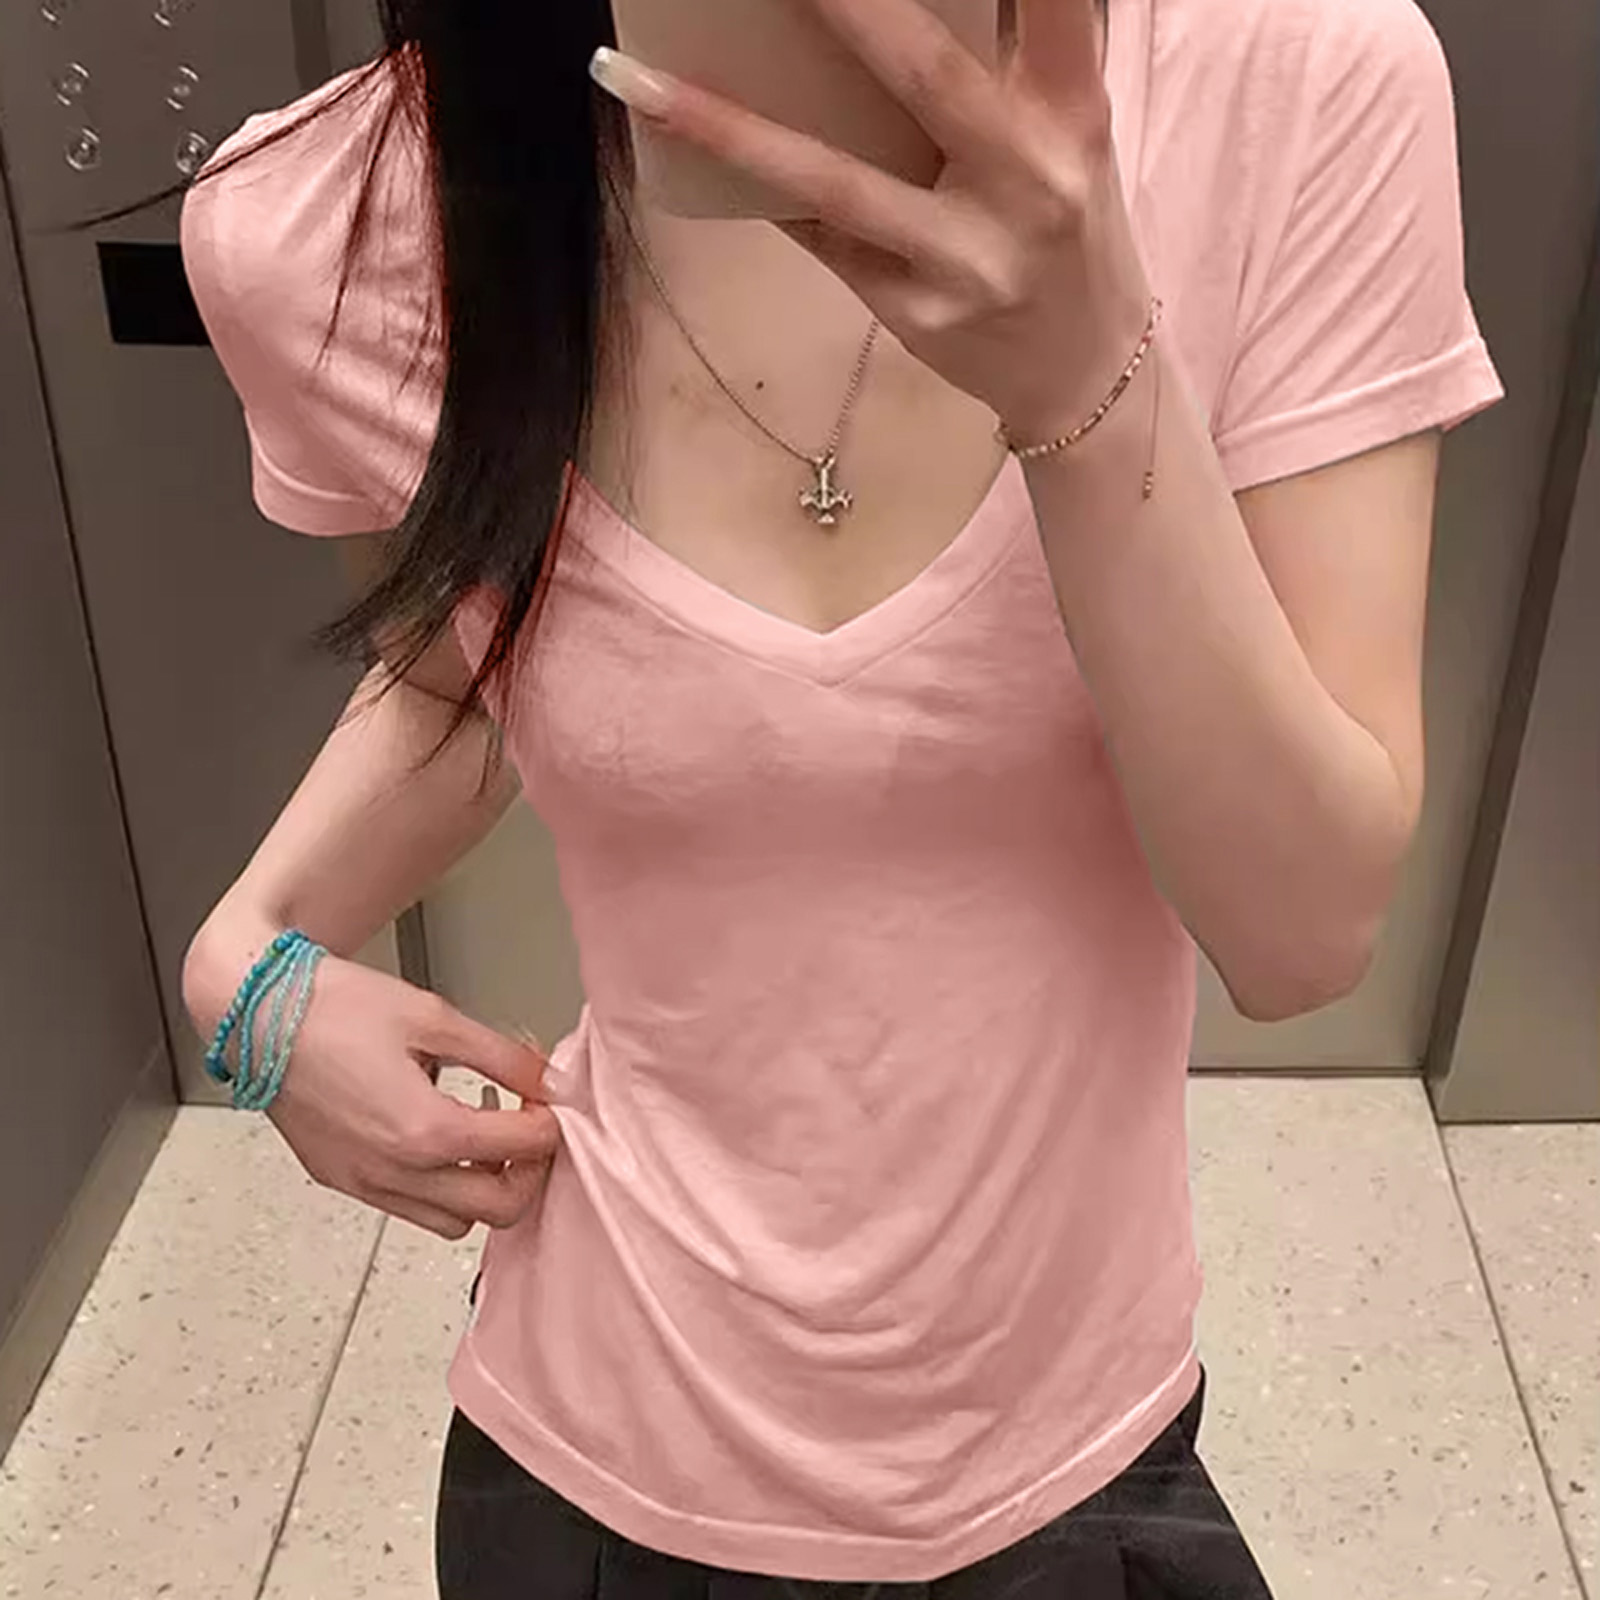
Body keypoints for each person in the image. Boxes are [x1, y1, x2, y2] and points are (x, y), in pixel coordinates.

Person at [168, 0, 1504, 1594]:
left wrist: (1090, 382)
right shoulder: (339, 219)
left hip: (1072, 1444)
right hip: (596, 1438)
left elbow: (1301, 936)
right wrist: (243, 960)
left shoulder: (1289, 88)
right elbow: (480, 674)